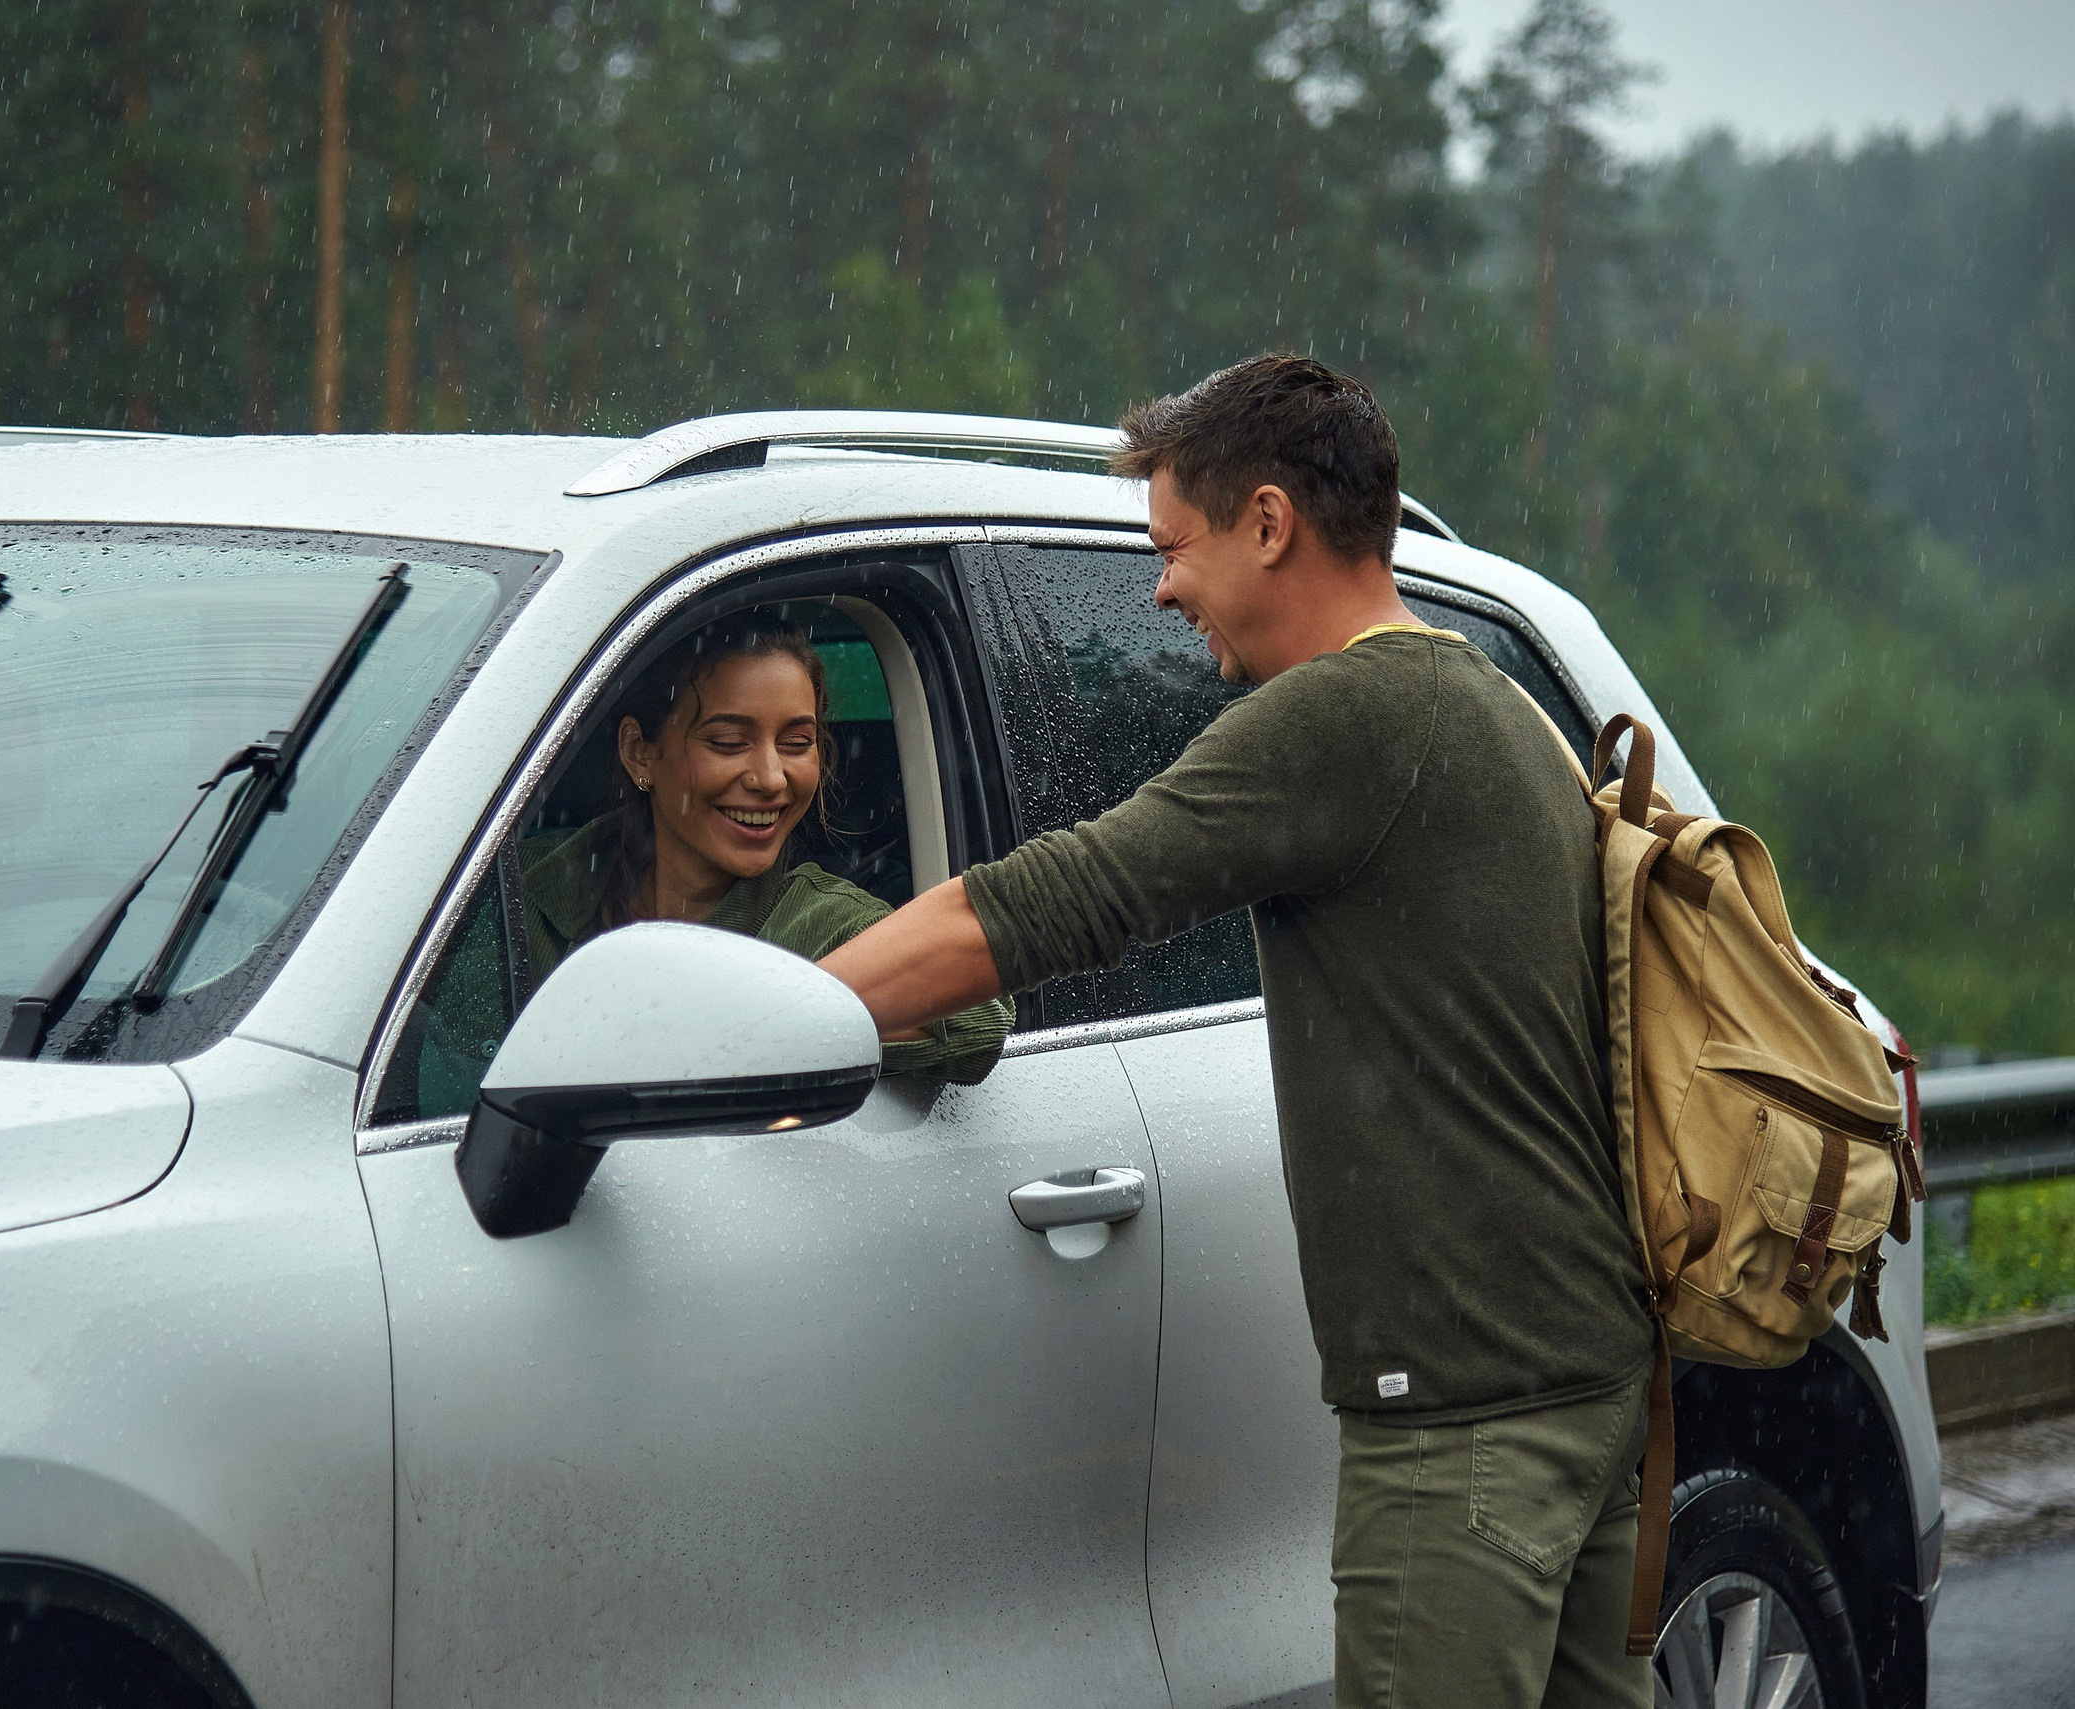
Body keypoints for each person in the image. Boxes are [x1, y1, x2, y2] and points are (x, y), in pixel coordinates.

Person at [819, 356, 1656, 1707]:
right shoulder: (1495, 703)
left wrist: (791, 1014)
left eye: (1174, 547)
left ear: (1268, 524)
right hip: (1592, 1378)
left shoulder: (1345, 714)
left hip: (1460, 1416)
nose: (1160, 588)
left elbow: (1063, 895)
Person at [524, 613, 1008, 1085]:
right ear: (640, 752)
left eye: (797, 742)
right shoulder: (515, 881)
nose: (772, 778)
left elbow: (976, 1021)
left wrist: (734, 1026)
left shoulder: (827, 925)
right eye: (730, 742)